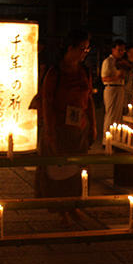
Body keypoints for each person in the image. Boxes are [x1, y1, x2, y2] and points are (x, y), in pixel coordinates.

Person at [36, 29, 96, 227]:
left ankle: (73, 204)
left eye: (87, 50)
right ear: (70, 48)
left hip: (78, 128)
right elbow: (47, 100)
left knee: (76, 168)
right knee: (57, 169)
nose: (85, 53)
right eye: (82, 49)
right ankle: (60, 209)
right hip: (58, 126)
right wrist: (50, 130)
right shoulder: (55, 71)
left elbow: (89, 99)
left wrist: (93, 125)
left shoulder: (85, 71)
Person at [100, 39, 126, 144]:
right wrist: (116, 77)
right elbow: (104, 78)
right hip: (111, 88)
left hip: (120, 88)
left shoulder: (121, 62)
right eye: (119, 50)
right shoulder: (108, 61)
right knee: (111, 113)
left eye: (123, 50)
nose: (121, 52)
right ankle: (107, 140)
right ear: (113, 50)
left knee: (118, 115)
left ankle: (115, 139)